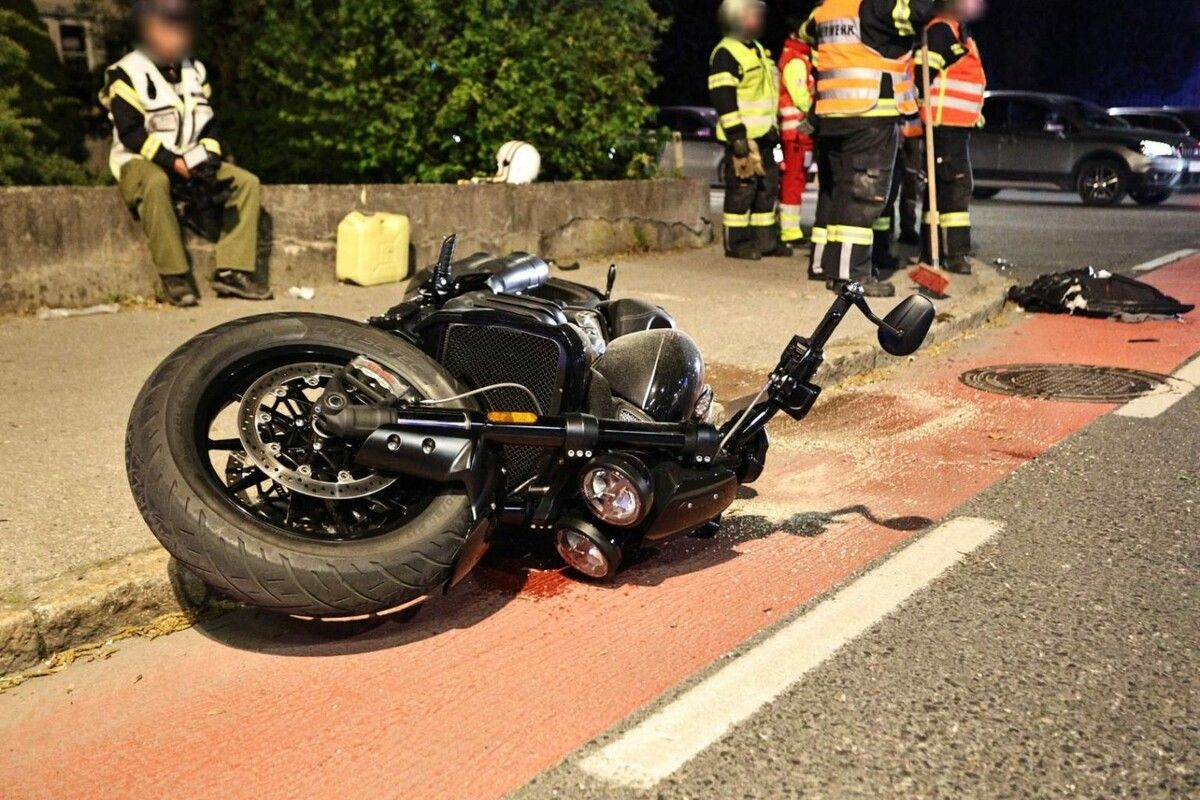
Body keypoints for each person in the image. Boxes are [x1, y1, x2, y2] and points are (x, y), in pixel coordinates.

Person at [99, 0, 270, 306]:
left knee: (246, 183)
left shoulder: (195, 70)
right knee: (155, 183)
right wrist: (173, 163)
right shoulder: (125, 73)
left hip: (189, 159)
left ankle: (232, 272)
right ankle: (175, 277)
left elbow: (210, 123)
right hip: (140, 161)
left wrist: (209, 160)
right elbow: (131, 133)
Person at [809, 0, 934, 296]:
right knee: (864, 198)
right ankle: (853, 277)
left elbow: (807, 32)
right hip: (869, 112)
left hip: (833, 113)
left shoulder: (827, 9)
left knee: (843, 196)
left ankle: (837, 271)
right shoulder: (875, 6)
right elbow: (918, 12)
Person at [708, 0, 792, 261]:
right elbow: (723, 97)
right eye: (751, 15)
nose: (758, 19)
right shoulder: (726, 53)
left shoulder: (756, 49)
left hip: (765, 133)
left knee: (767, 188)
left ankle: (764, 241)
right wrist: (736, 137)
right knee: (743, 190)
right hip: (743, 137)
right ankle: (737, 243)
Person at [914, 0, 987, 274]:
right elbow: (922, 72)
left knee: (942, 189)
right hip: (943, 124)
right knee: (954, 187)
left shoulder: (957, 32)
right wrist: (922, 107)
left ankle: (935, 251)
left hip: (954, 125)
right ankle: (953, 254)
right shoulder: (941, 30)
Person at [777, 19, 816, 246]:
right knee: (793, 181)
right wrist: (814, 111)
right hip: (796, 133)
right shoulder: (795, 61)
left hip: (798, 134)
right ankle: (789, 232)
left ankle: (790, 229)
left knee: (796, 180)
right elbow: (800, 96)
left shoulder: (798, 59)